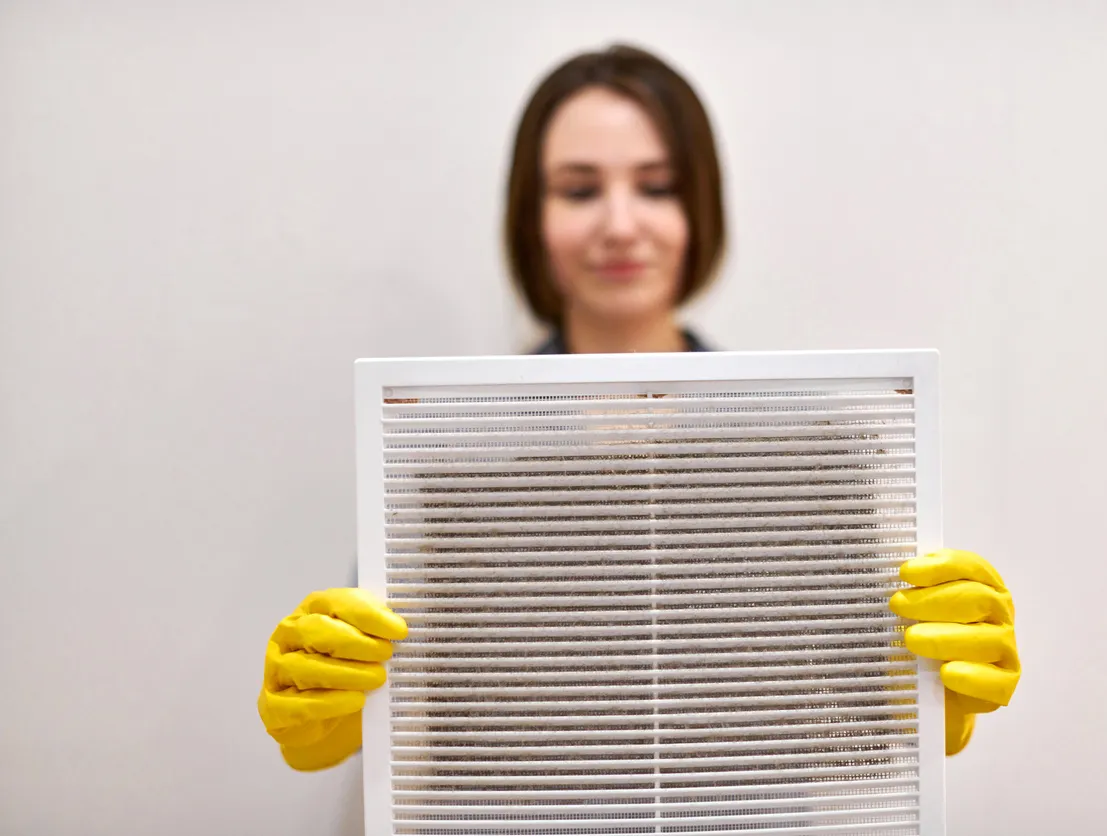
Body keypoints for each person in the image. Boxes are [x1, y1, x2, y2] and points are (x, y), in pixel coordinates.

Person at [257, 43, 1021, 772]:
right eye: (580, 189)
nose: (620, 225)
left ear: (701, 210)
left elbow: (841, 706)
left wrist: (918, 696)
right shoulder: (450, 447)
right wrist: (332, 701)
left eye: (657, 187)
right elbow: (392, 680)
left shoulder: (796, 450)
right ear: (533, 217)